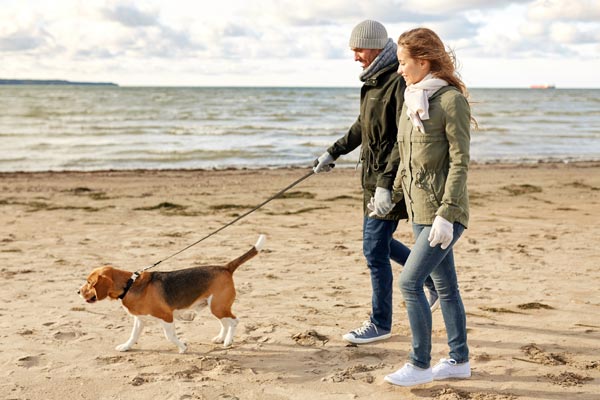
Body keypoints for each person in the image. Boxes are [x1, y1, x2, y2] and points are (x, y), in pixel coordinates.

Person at [313, 20, 438, 345]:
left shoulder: (397, 82)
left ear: (375, 46)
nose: (355, 56)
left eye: (359, 49)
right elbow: (362, 126)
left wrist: (385, 185)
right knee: (378, 244)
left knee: (373, 249)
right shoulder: (371, 82)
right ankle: (431, 279)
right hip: (372, 180)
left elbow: (402, 138)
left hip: (391, 181)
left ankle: (381, 323)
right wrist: (333, 152)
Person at [371, 27, 473, 386]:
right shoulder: (413, 98)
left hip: (444, 213)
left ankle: (419, 364)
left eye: (403, 63)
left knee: (411, 283)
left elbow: (460, 162)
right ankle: (459, 360)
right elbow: (405, 157)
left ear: (423, 61)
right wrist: (387, 195)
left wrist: (447, 213)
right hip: (419, 211)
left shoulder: (449, 101)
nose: (399, 70)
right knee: (446, 288)